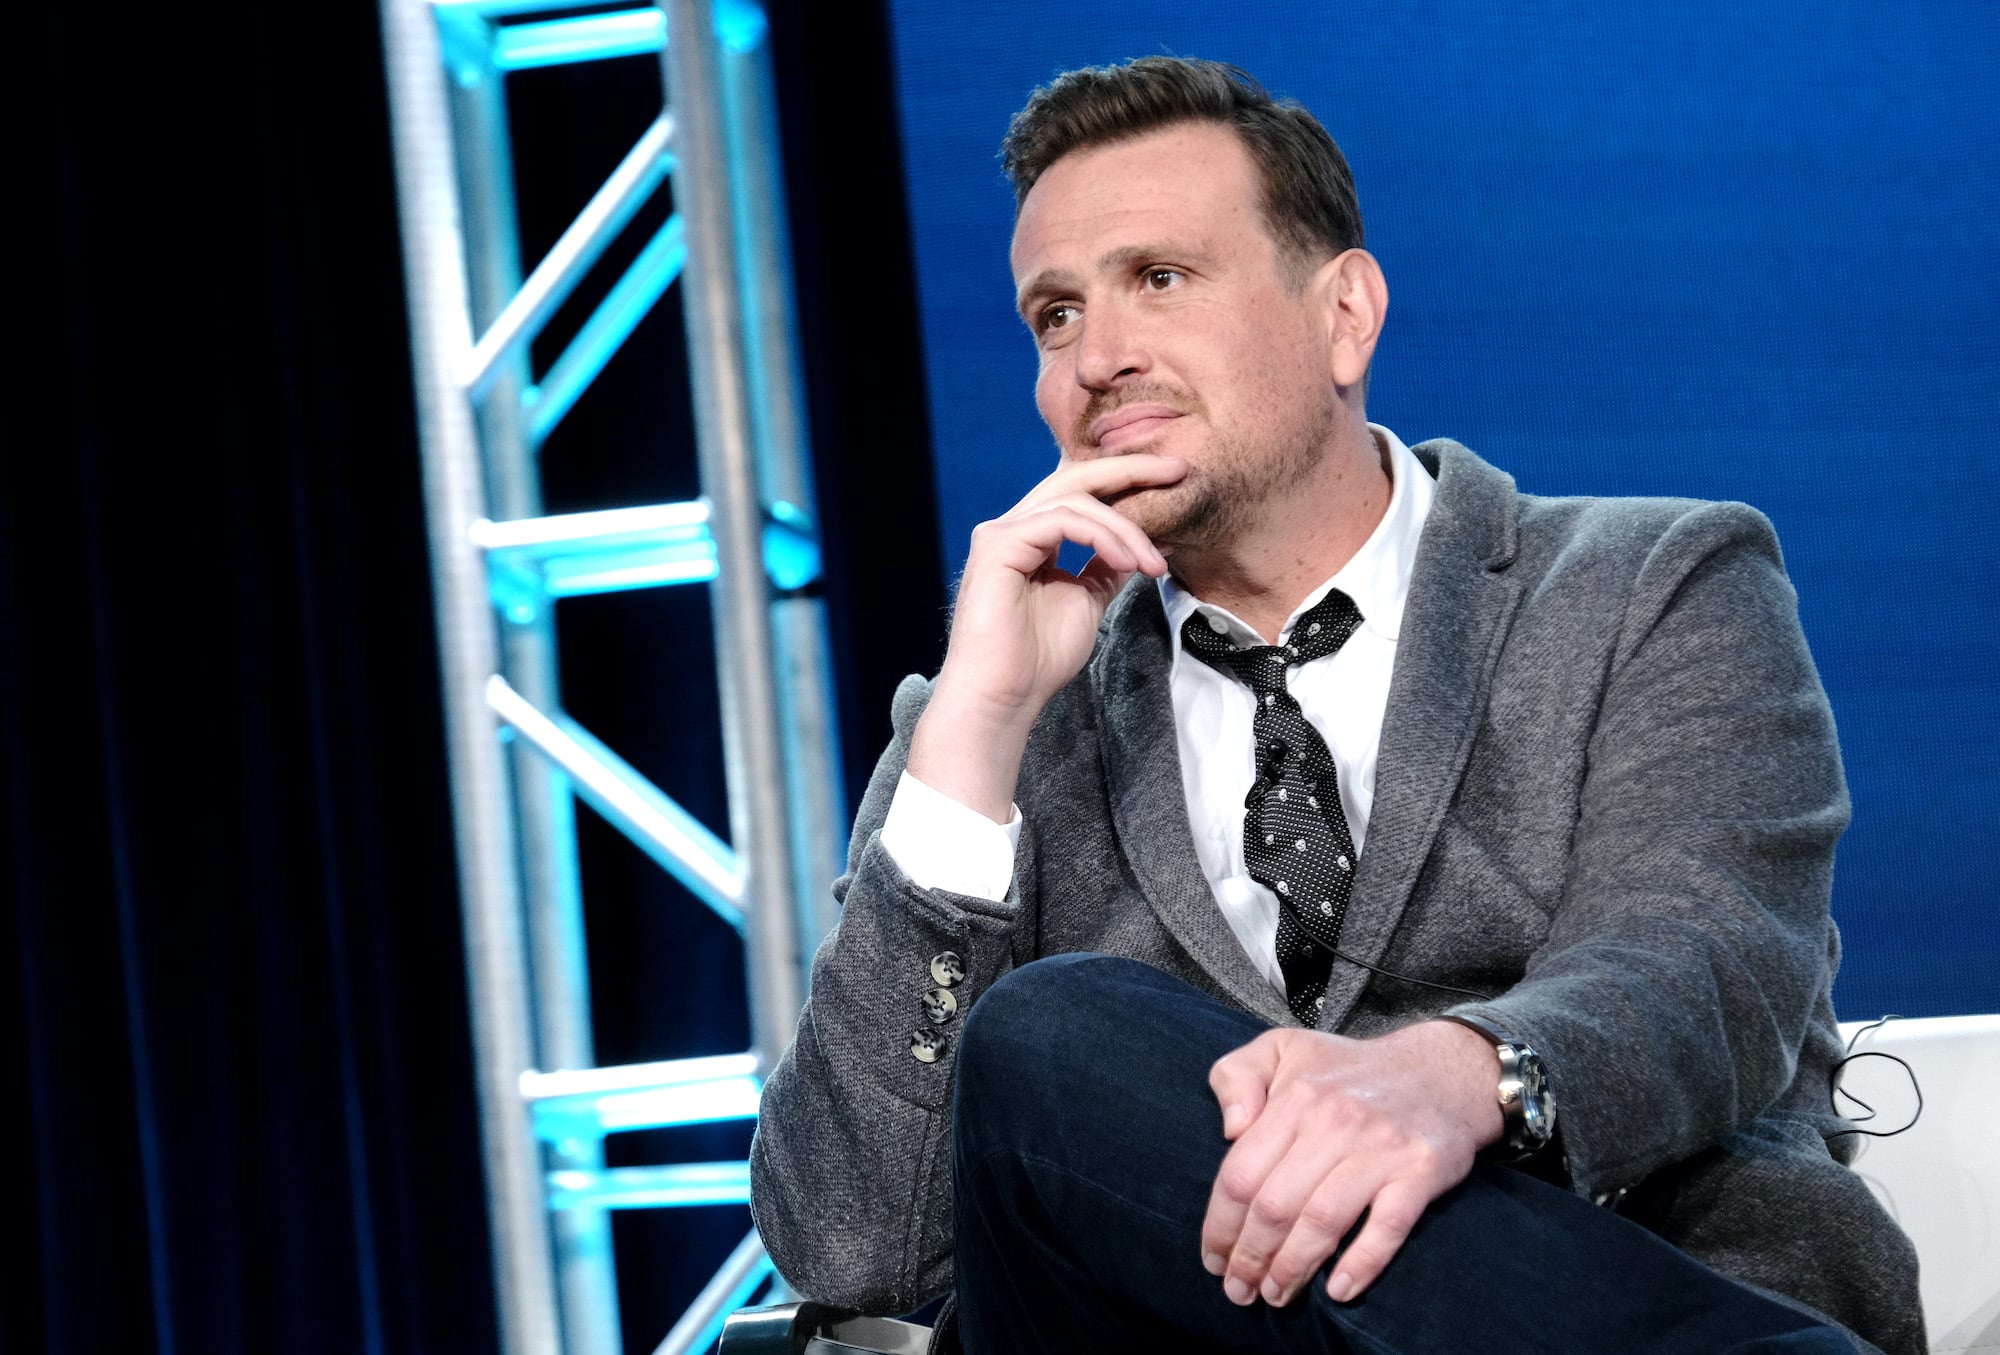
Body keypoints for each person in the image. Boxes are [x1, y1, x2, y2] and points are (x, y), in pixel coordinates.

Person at [749, 56, 1923, 1354]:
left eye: (1159, 279)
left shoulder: (1649, 586)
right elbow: (856, 1241)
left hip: (1619, 1261)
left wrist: (1455, 1079)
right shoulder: (997, 732)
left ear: (1344, 316)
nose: (1098, 358)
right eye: (1055, 315)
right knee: (1047, 1038)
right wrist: (976, 726)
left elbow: (1704, 969)